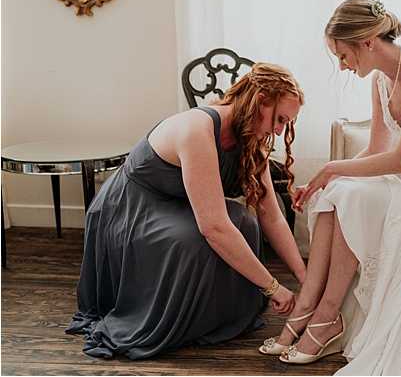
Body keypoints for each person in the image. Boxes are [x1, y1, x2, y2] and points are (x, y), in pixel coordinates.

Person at [259, 0, 401, 375]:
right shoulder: (381, 79)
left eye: (344, 56)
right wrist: (325, 181)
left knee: (351, 190)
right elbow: (378, 148)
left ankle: (328, 315)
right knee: (339, 191)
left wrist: (331, 167)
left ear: (367, 42)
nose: (343, 67)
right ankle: (308, 309)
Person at [66, 62, 308, 360]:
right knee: (198, 237)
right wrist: (272, 288)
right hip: (132, 208)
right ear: (261, 101)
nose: (280, 130)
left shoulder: (252, 139)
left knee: (245, 222)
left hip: (176, 202)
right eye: (280, 119)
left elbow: (270, 213)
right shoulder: (197, 128)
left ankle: (213, 316)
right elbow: (213, 227)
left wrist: (303, 278)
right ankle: (171, 320)